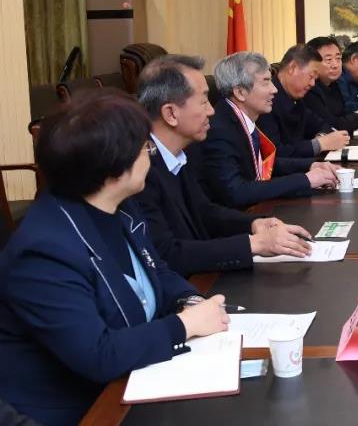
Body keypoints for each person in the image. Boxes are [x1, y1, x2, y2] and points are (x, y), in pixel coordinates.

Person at [0, 91, 230, 425]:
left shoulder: (119, 207)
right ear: (113, 168)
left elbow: (157, 270)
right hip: (84, 410)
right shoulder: (43, 251)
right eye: (145, 148)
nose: (150, 155)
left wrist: (191, 301)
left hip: (137, 381)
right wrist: (184, 325)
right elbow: (97, 354)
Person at [135, 55, 315, 276]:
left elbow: (204, 211)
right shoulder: (139, 172)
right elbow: (166, 254)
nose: (212, 111)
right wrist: (254, 244)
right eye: (204, 101)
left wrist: (254, 224)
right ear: (171, 113)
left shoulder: (179, 154)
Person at [200, 51, 338, 210]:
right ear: (240, 92)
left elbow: (262, 165)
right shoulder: (219, 130)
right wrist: (305, 180)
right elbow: (236, 192)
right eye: (266, 82)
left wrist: (311, 165)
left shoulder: (239, 117)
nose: (274, 90)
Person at [256, 44, 350, 160]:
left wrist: (322, 137)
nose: (313, 84)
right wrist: (320, 144)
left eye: (315, 79)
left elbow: (322, 124)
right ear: (292, 68)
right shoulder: (266, 100)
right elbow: (275, 153)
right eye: (311, 76)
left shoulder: (296, 97)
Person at [303, 36, 358, 133]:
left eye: (338, 58)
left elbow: (342, 115)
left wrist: (357, 122)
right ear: (311, 62)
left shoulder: (334, 84)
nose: (335, 65)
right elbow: (332, 126)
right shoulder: (309, 89)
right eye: (328, 59)